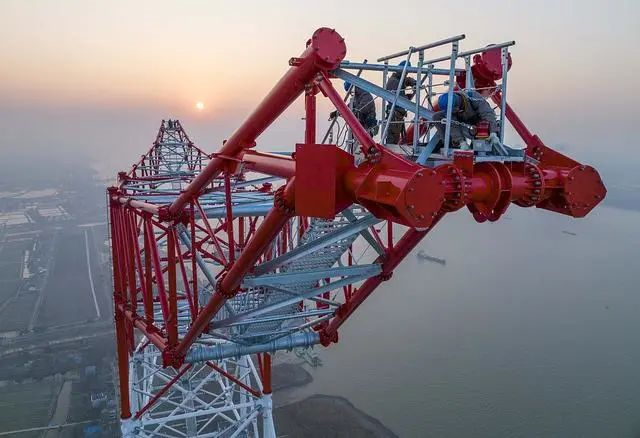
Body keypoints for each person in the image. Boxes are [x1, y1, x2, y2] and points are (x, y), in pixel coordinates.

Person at [432, 90, 499, 149]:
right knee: (437, 116)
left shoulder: (474, 97)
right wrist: (461, 142)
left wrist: (493, 132)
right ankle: (449, 143)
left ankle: (484, 140)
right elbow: (453, 125)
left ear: (456, 107)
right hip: (465, 125)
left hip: (480, 126)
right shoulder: (452, 108)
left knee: (484, 125)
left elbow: (487, 113)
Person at [384, 60, 417, 144]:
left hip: (397, 114)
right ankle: (390, 150)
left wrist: (413, 82)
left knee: (395, 137)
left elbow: (406, 80)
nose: (406, 74)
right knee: (393, 139)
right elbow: (400, 100)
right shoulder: (394, 82)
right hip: (395, 113)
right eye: (406, 72)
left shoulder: (398, 79)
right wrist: (409, 96)